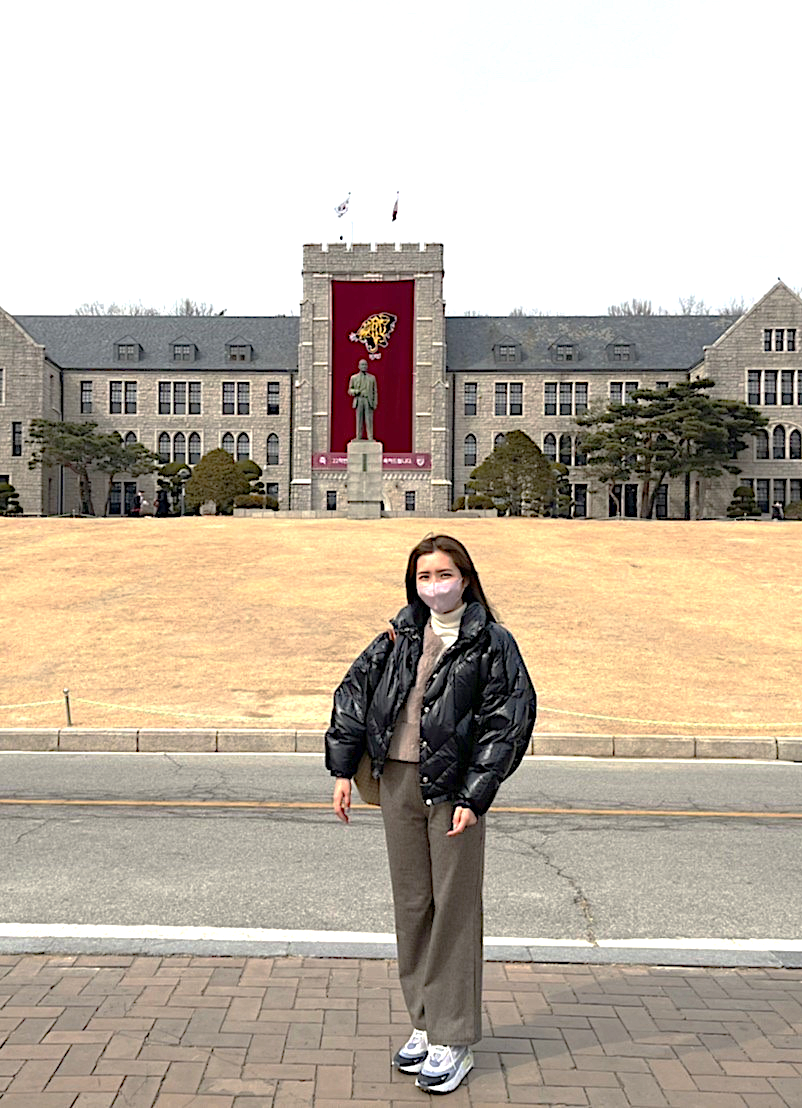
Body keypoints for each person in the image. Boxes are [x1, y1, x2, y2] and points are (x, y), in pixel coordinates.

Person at [325, 534, 536, 1095]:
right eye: (424, 577)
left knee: (455, 907)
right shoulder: (397, 636)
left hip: (452, 790)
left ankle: (453, 1035)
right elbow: (352, 695)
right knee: (413, 903)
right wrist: (343, 770)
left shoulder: (492, 642)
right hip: (397, 779)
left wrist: (475, 794)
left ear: (465, 578)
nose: (434, 586)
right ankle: (423, 1020)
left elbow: (506, 722)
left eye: (444, 575)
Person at [348, 358, 379, 441]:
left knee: (369, 419)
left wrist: (375, 402)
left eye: (365, 365)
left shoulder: (372, 378)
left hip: (368, 401)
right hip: (359, 400)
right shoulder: (353, 378)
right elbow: (350, 390)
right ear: (358, 366)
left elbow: (375, 391)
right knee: (359, 419)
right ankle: (358, 436)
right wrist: (356, 391)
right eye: (362, 365)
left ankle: (370, 437)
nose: (364, 366)